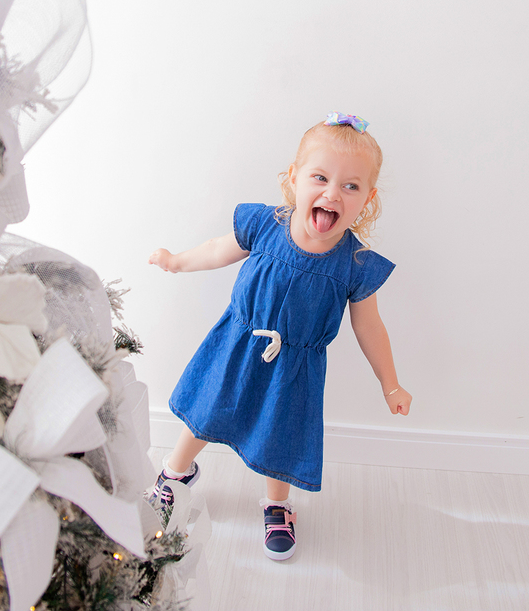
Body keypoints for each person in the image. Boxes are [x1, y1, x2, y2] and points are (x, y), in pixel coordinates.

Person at [148, 112, 411, 561]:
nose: (332, 193)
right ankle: (175, 474)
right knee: (203, 411)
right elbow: (216, 249)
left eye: (350, 186)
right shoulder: (264, 224)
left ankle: (276, 504)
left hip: (294, 368)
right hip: (236, 345)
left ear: (367, 199)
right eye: (320, 177)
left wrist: (390, 382)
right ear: (295, 178)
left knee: (279, 435)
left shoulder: (355, 263)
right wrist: (177, 261)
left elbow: (369, 326)